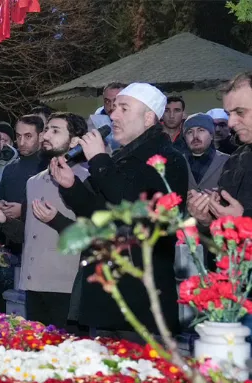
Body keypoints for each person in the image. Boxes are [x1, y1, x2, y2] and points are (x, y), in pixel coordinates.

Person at [53, 82, 188, 336]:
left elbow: (135, 211)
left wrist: (99, 160)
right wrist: (72, 187)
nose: (113, 115)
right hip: (107, 296)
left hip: (141, 300)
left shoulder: (168, 159)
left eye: (124, 109)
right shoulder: (120, 158)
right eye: (113, 108)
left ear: (148, 118)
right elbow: (98, 216)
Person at [0, 113, 89, 328]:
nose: (46, 135)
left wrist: (56, 219)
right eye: (47, 129)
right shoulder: (33, 182)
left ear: (74, 141)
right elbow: (26, 234)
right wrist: (4, 221)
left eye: (55, 131)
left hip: (67, 288)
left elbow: (91, 237)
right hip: (33, 285)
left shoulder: (86, 179)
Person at [191, 73, 252, 223]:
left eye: (240, 112)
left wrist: (242, 221)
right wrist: (208, 219)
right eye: (228, 114)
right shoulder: (237, 158)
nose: (231, 123)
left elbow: (238, 218)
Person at [0, 115, 45, 230]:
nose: (22, 142)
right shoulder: (10, 168)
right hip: (9, 234)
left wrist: (23, 210)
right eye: (18, 136)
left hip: (40, 235)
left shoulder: (50, 167)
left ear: (41, 137)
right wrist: (0, 204)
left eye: (28, 136)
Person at [182, 113, 229, 191]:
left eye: (201, 130)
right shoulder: (177, 162)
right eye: (190, 132)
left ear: (211, 135)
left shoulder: (228, 161)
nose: (195, 136)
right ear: (185, 138)